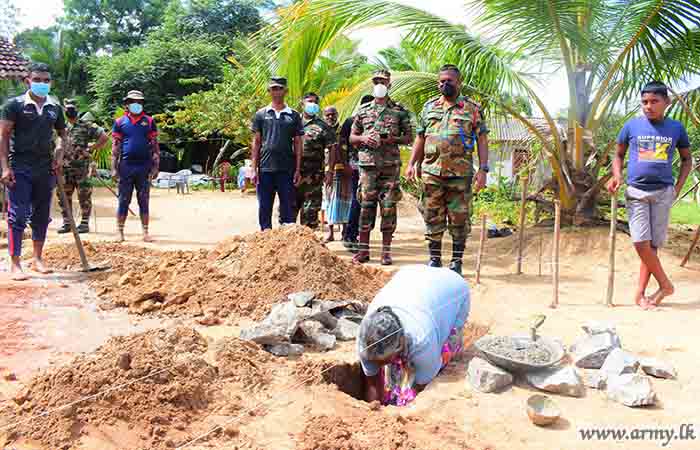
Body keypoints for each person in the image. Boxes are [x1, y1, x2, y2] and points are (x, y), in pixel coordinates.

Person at [607, 81, 692, 309]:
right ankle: (665, 285)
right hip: (636, 191)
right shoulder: (631, 126)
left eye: (654, 101)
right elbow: (618, 155)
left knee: (652, 246)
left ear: (666, 102)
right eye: (644, 102)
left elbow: (687, 160)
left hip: (664, 192)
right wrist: (616, 176)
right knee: (640, 242)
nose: (648, 106)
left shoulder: (676, 128)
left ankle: (641, 295)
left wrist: (678, 188)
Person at [406, 64, 490, 275]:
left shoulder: (472, 109)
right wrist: (411, 163)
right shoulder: (429, 107)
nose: (444, 84)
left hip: (460, 174)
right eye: (441, 81)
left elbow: (482, 138)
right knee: (432, 215)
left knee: (459, 218)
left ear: (458, 83)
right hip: (431, 172)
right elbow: (420, 137)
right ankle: (434, 259)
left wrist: (483, 169)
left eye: (449, 81)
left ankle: (456, 262)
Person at [357, 265, 470, 406]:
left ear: (401, 344)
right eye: (375, 360)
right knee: (394, 375)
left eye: (383, 360)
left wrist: (405, 406)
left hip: (453, 288)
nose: (378, 364)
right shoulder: (364, 339)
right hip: (410, 276)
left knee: (443, 352)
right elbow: (371, 381)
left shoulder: (422, 338)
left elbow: (421, 386)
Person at [0, 62, 67, 280]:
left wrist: (58, 155)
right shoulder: (14, 105)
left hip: (45, 168)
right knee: (17, 214)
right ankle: (15, 263)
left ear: (51, 83)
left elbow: (62, 135)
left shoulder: (54, 107)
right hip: (20, 166)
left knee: (41, 216)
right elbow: (4, 136)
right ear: (27, 80)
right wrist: (5, 167)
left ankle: (37, 259)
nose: (42, 84)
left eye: (46, 80)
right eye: (37, 79)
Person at [350, 70, 413, 265]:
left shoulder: (399, 111)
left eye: (383, 81)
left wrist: (393, 139)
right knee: (366, 207)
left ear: (389, 84)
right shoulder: (362, 110)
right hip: (368, 166)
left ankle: (385, 252)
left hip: (389, 167)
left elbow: (409, 137)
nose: (379, 84)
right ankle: (363, 251)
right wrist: (363, 138)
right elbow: (352, 138)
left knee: (388, 208)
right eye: (376, 81)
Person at [251, 77, 303, 231]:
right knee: (264, 206)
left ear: (285, 91)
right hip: (265, 168)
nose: (276, 91)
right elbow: (256, 142)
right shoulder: (261, 114)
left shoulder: (293, 115)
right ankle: (265, 237)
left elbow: (298, 143)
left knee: (287, 207)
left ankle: (286, 242)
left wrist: (298, 169)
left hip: (286, 169)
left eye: (279, 88)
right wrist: (253, 169)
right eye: (273, 88)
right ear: (269, 91)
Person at [111, 90, 160, 243]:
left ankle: (145, 232)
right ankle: (120, 232)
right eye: (133, 101)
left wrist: (155, 167)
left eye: (139, 102)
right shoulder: (120, 122)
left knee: (143, 199)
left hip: (144, 167)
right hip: (125, 166)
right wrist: (113, 168)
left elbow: (155, 146)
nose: (136, 104)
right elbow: (115, 147)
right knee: (123, 199)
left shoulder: (149, 121)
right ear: (127, 104)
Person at [57, 99, 108, 234]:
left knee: (84, 195)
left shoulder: (86, 125)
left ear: (77, 110)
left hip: (81, 168)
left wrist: (91, 149)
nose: (70, 111)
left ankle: (84, 224)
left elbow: (104, 137)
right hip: (64, 169)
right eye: (67, 108)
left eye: (72, 108)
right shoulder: (62, 127)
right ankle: (67, 223)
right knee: (63, 196)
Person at [292, 92, 336, 229]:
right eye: (309, 101)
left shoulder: (323, 126)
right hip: (293, 174)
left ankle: (308, 247)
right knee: (289, 212)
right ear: (302, 104)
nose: (312, 104)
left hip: (314, 176)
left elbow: (332, 148)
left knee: (310, 214)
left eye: (315, 102)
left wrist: (330, 171)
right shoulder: (292, 122)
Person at [341, 95, 374, 253]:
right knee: (357, 201)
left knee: (369, 203)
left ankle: (362, 236)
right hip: (355, 166)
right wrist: (345, 164)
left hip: (373, 167)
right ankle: (349, 235)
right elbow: (342, 144)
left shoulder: (377, 121)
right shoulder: (350, 121)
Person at [323, 105, 350, 243]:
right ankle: (330, 232)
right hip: (328, 171)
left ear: (337, 114)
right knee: (328, 201)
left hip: (343, 170)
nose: (330, 117)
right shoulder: (322, 130)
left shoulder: (343, 130)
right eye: (327, 115)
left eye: (332, 114)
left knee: (344, 201)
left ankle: (345, 231)